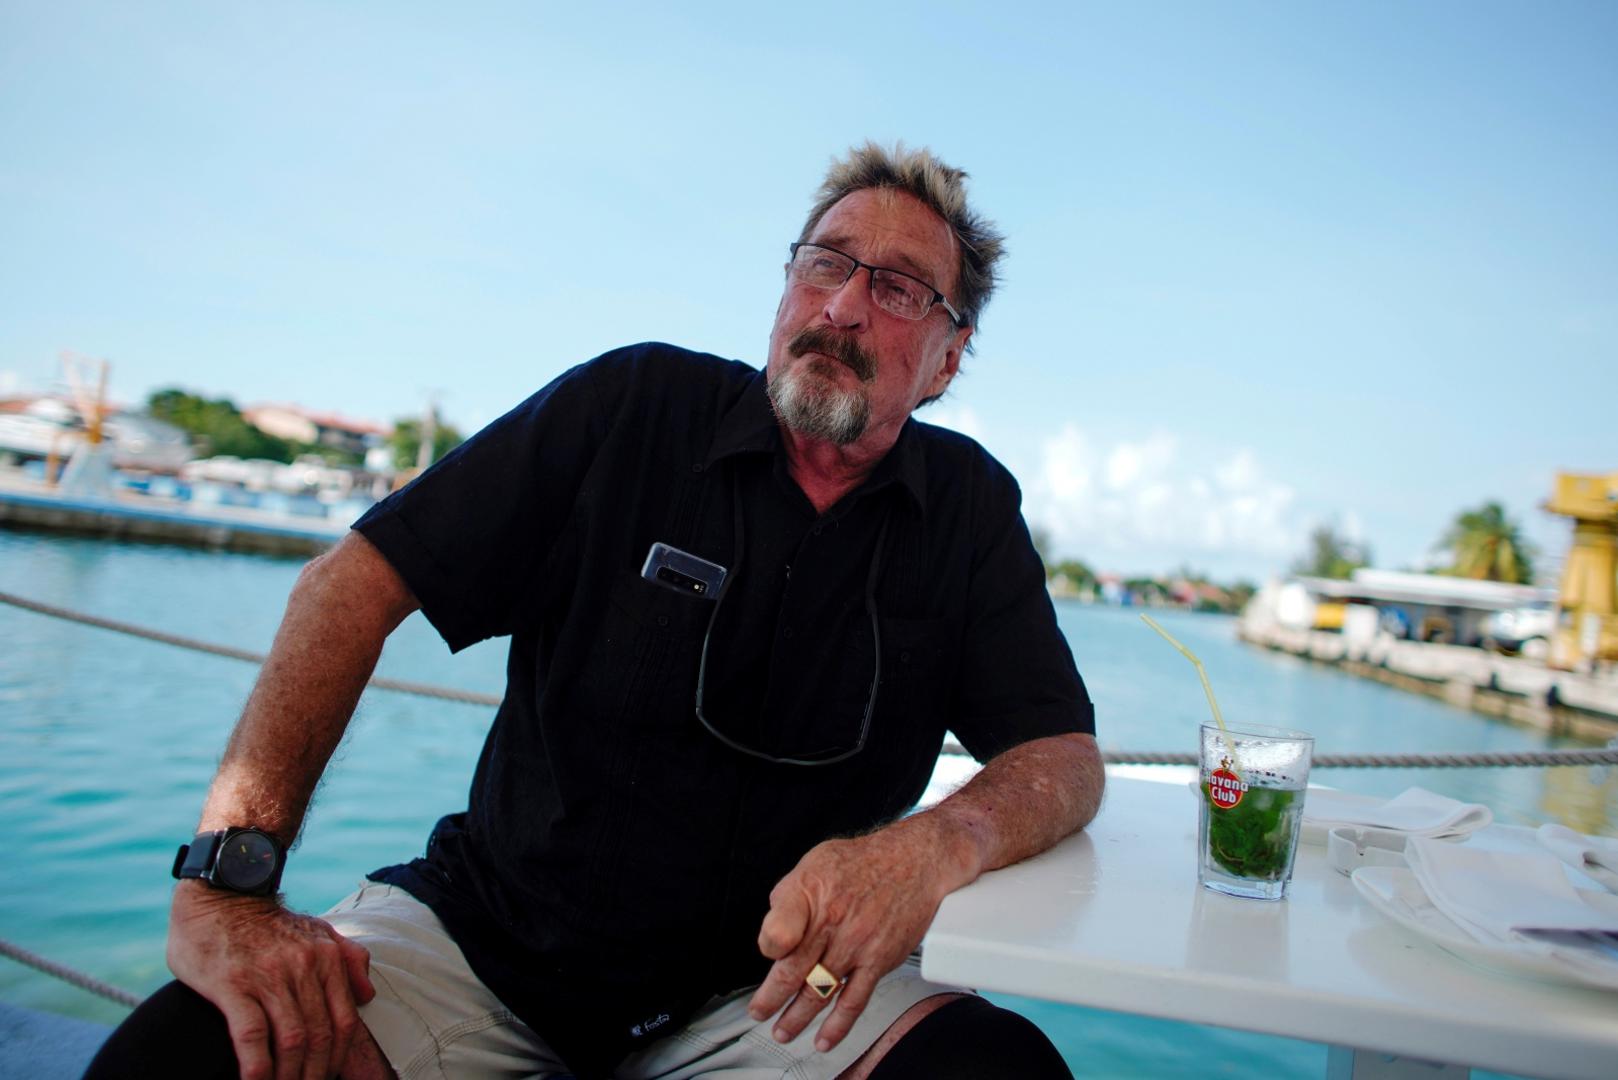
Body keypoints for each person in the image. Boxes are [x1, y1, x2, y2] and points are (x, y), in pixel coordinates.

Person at [88, 142, 1104, 1080]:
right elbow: (350, 585)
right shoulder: (633, 406)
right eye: (825, 263)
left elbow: (1059, 755)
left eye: (897, 288)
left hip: (779, 994)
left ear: (947, 359)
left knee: (995, 1072)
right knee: (185, 1056)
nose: (841, 306)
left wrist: (931, 846)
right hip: (486, 952)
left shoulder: (967, 508)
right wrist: (230, 882)